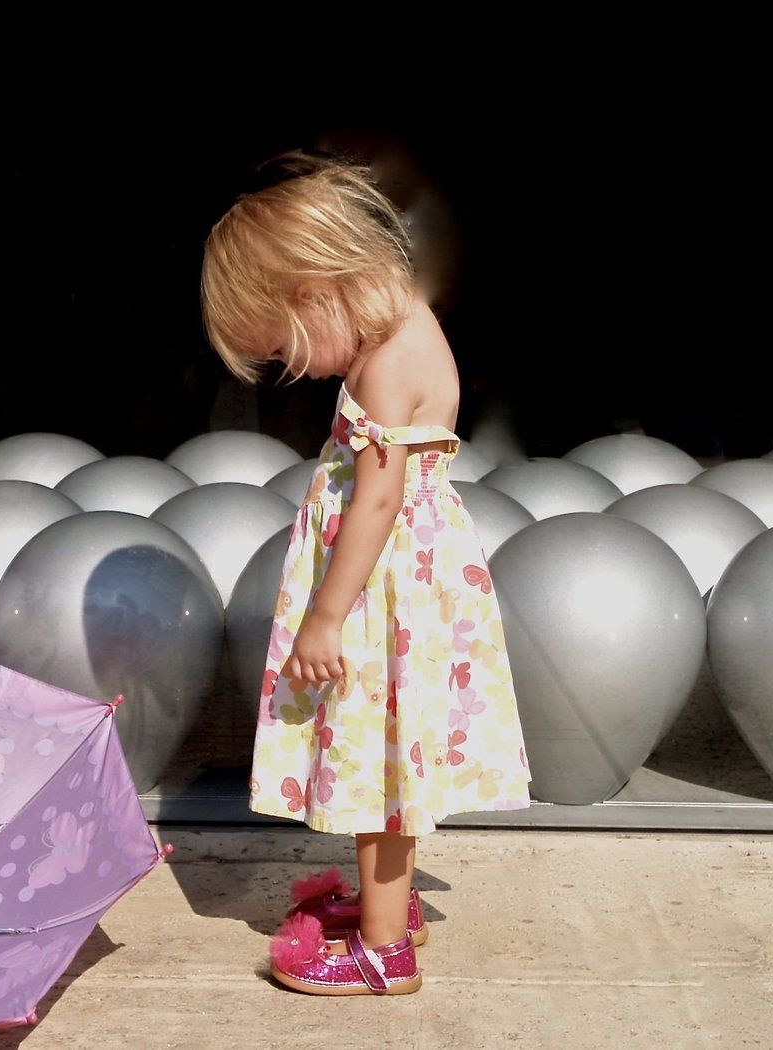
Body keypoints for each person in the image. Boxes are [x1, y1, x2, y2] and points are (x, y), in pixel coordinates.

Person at [200, 149, 532, 996]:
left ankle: (384, 949)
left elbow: (377, 504)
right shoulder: (406, 330)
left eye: (282, 347)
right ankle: (392, 906)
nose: (294, 371)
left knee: (377, 767)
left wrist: (324, 616)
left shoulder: (385, 366)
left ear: (316, 288)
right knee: (388, 758)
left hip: (376, 594)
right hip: (402, 588)